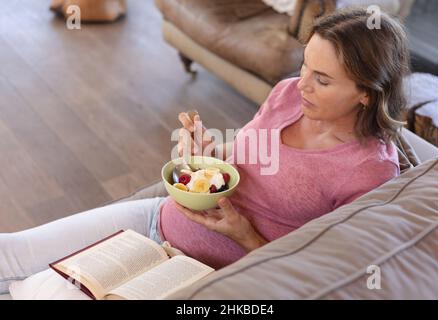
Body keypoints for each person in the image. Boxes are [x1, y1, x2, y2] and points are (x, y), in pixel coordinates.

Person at [0, 8, 410, 291]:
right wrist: (205, 161)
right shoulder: (288, 94)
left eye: (321, 79)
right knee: (10, 254)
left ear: (367, 95)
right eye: (304, 65)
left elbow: (323, 272)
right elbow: (252, 158)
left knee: (40, 292)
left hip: (205, 273)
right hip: (157, 222)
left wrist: (243, 233)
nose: (301, 83)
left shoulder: (368, 173)